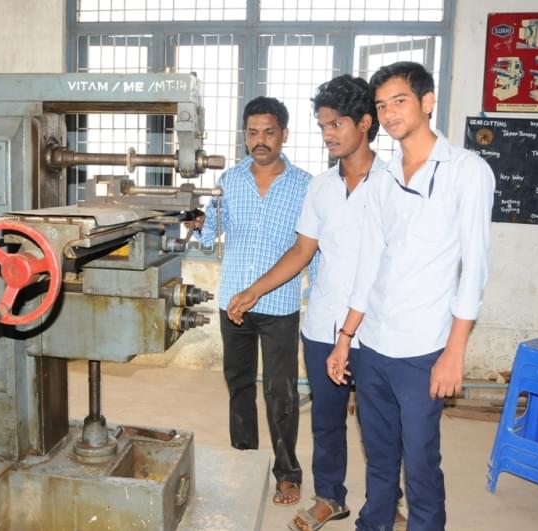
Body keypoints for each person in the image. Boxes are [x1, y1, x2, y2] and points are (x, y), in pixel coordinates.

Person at [326, 61, 495, 531]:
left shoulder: (467, 171)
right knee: (379, 457)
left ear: (427, 101)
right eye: (381, 106)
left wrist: (454, 354)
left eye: (398, 101)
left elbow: (474, 270)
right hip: (372, 344)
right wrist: (346, 338)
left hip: (424, 349)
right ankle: (374, 523)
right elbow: (368, 265)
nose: (389, 112)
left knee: (420, 462)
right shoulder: (382, 178)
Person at [226, 75, 383, 530]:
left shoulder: (393, 184)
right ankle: (329, 497)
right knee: (327, 422)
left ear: (365, 123)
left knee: (378, 427)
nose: (328, 134)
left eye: (335, 124)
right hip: (323, 325)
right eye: (323, 126)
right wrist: (253, 290)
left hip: (377, 327)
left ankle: (383, 502)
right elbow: (301, 252)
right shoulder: (322, 187)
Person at [193, 96, 313, 506]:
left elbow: (310, 247)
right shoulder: (229, 181)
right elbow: (209, 234)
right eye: (252, 132)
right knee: (239, 386)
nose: (260, 141)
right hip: (234, 306)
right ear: (245, 135)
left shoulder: (304, 185)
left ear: (284, 134)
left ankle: (287, 473)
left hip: (279, 305)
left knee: (281, 392)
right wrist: (195, 223)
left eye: (269, 132)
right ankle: (243, 461)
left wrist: (314, 294)